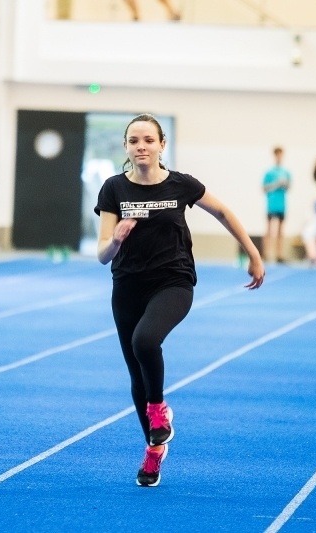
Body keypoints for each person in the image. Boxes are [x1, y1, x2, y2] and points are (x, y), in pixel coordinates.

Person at [94, 113, 264, 487]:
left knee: (145, 341)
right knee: (136, 375)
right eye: (134, 140)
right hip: (127, 287)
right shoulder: (113, 190)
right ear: (125, 147)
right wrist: (117, 240)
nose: (141, 146)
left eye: (148, 140)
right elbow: (102, 254)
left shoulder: (181, 185)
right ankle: (153, 451)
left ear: (161, 146)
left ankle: (159, 410)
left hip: (173, 282)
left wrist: (252, 252)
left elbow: (222, 211)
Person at [262, 146, 291, 263]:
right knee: (269, 229)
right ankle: (266, 254)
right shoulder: (269, 172)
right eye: (277, 155)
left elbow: (289, 187)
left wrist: (284, 184)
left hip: (282, 204)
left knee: (280, 231)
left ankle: (279, 255)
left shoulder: (286, 172)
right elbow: (264, 188)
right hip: (271, 204)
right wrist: (276, 184)